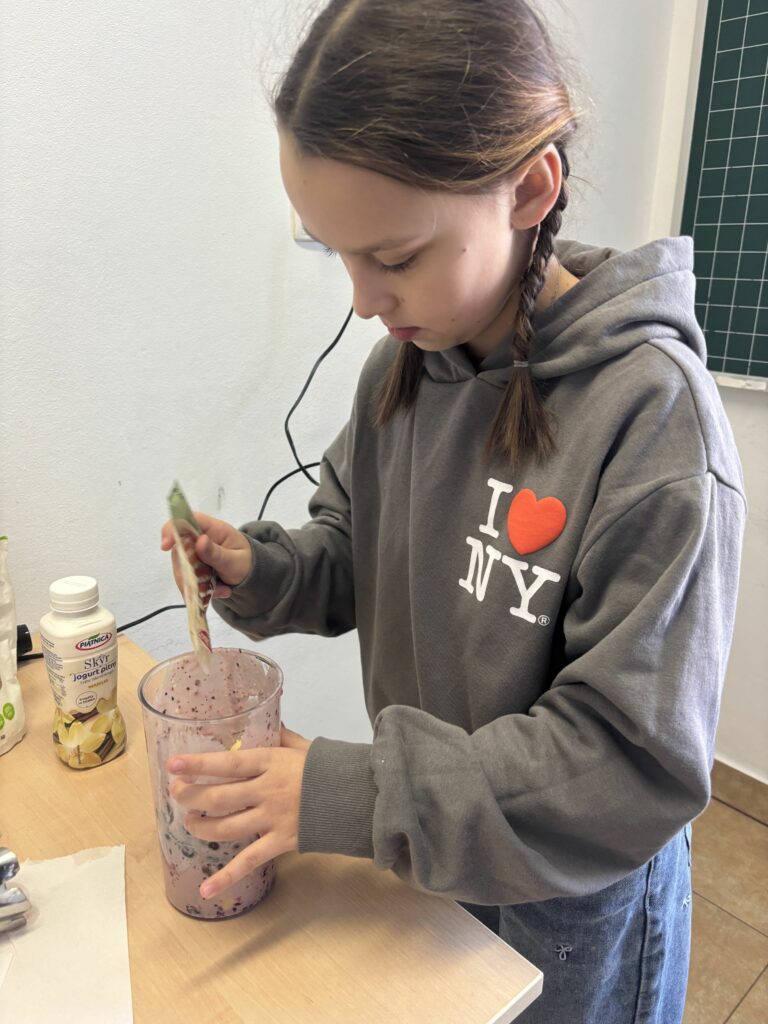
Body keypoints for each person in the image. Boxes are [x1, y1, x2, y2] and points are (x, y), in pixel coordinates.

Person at [160, 2, 746, 1021]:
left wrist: (357, 793)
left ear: (529, 189)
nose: (363, 300)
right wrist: (265, 569)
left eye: (393, 258)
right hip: (434, 857)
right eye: (337, 252)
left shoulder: (652, 422)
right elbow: (358, 551)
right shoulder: (403, 371)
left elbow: (624, 764)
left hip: (572, 903)